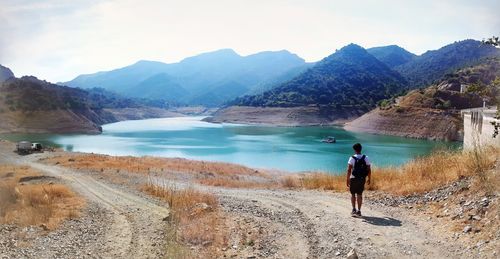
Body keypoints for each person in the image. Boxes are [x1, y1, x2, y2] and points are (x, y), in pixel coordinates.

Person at [346, 143, 371, 217]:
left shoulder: (352, 158)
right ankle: (359, 211)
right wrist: (369, 178)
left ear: (354, 150)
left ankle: (354, 210)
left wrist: (347, 180)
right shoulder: (366, 157)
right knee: (359, 194)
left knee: (353, 194)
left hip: (353, 178)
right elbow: (369, 169)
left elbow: (349, 170)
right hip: (362, 178)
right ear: (361, 149)